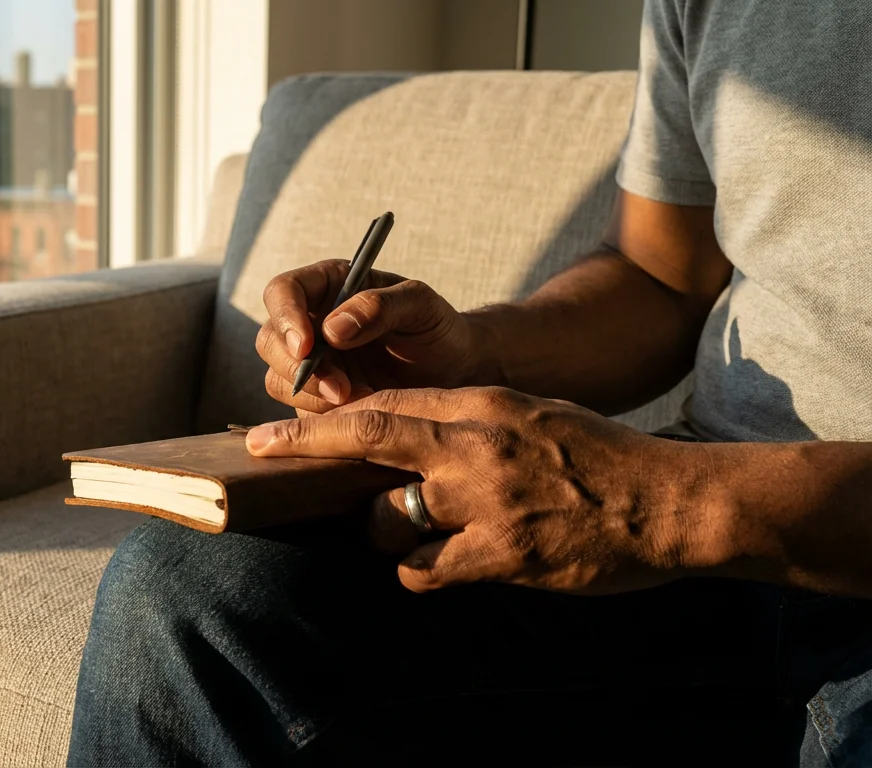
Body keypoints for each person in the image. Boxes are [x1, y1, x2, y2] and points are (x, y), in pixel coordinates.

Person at [68, 0, 872, 764]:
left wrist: (660, 501)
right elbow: (666, 273)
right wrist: (475, 350)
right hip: (704, 567)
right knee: (182, 596)